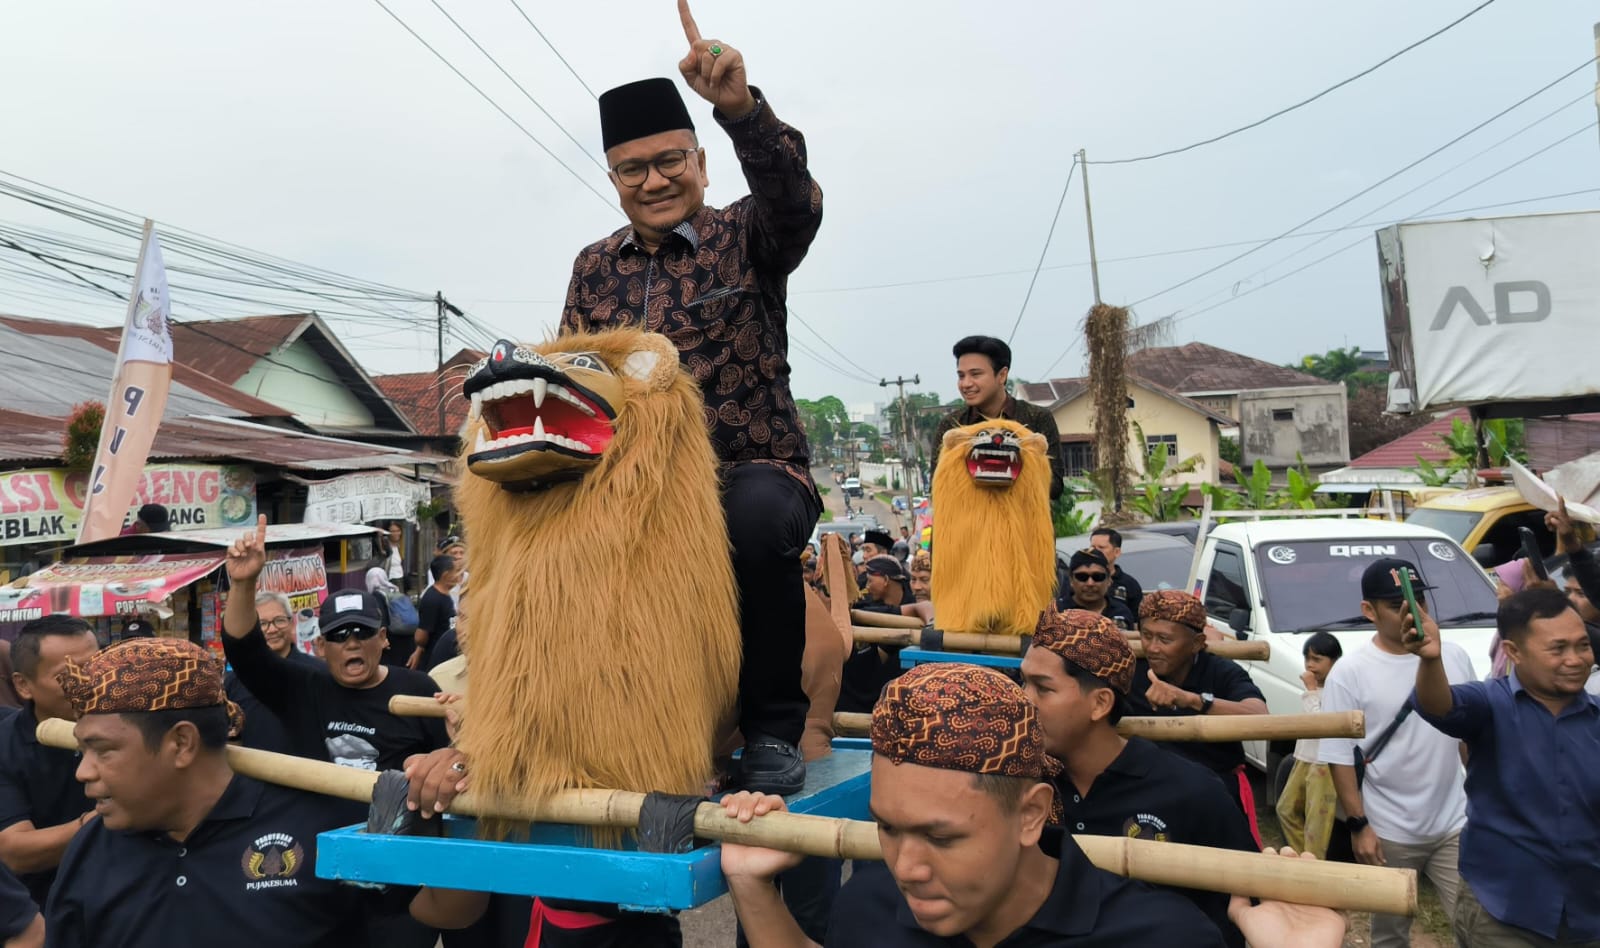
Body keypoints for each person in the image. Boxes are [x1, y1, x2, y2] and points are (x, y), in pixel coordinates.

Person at [558, 0, 822, 796]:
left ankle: (773, 727)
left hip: (754, 468)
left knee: (747, 518)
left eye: (671, 160)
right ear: (613, 180)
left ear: (702, 163)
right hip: (632, 481)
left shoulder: (749, 233)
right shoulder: (593, 266)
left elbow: (796, 202)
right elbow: (574, 377)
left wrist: (741, 107)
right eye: (633, 169)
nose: (654, 180)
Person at [718, 663, 1348, 948]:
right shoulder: (872, 905)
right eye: (887, 828)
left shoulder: (1159, 936)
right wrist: (752, 888)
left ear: (1030, 813)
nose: (906, 865)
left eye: (941, 837)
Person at [45, 637, 374, 947]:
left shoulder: (324, 833)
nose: (83, 772)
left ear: (181, 743)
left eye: (102, 750)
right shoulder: (90, 851)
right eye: (82, 751)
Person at [222, 517, 446, 947]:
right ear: (320, 646)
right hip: (319, 869)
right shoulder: (301, 687)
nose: (352, 643)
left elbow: (445, 767)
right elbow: (244, 650)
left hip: (398, 876)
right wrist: (245, 584)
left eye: (362, 632)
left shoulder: (417, 690)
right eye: (338, 636)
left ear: (383, 639)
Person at [1022, 608, 1259, 946]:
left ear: (1100, 703)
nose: (1023, 700)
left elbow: (1239, 908)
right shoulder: (1022, 785)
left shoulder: (1191, 792)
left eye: (1042, 688)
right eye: (1023, 682)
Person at [1408, 587, 1599, 946]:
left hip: (1588, 916)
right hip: (1503, 914)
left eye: (1583, 645)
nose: (1575, 659)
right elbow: (1437, 705)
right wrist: (1431, 660)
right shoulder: (1490, 703)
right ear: (1514, 652)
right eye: (1558, 649)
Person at [1316, 557, 1470, 948]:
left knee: (1477, 926)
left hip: (1456, 822)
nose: (1412, 613)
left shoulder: (1454, 656)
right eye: (1396, 604)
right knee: (1390, 935)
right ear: (1368, 611)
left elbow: (1468, 736)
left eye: (1419, 600)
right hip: (1389, 831)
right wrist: (1359, 825)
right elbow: (1338, 756)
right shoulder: (1349, 672)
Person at [1125, 590, 1267, 838]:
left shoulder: (1221, 672)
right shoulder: (1131, 672)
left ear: (1197, 644)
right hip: (1147, 797)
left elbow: (1259, 716)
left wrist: (1192, 700)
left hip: (1218, 795)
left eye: (1165, 640)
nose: (1153, 648)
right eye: (1147, 636)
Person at [0, 616, 99, 906]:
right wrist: (101, 819)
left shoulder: (133, 726)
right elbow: (14, 850)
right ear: (23, 685)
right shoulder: (6, 747)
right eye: (66, 675)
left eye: (95, 667)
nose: (87, 682)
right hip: (45, 915)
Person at [932, 336, 1064, 502]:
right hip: (970, 526)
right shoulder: (952, 426)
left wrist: (1012, 464)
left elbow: (1056, 486)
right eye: (961, 376)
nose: (966, 384)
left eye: (975, 374)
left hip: (1024, 525)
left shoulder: (1037, 418)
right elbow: (936, 485)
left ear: (1002, 375)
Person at [226, 591, 321, 755]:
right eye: (262, 624)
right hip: (251, 776)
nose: (272, 629)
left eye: (279, 620)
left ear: (292, 623)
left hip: (307, 776)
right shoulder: (236, 680)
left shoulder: (316, 673)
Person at [1275, 632, 1344, 860]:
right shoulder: (1314, 688)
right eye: (1307, 659)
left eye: (1317, 659)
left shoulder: (1338, 689)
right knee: (1285, 809)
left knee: (1317, 824)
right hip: (1304, 758)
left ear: (1334, 662)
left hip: (1324, 764)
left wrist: (1311, 691)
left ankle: (1312, 866)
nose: (1310, 665)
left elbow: (1321, 725)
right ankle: (1303, 860)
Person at [838, 557, 908, 714]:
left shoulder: (909, 606)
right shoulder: (866, 609)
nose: (867, 587)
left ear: (886, 580)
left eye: (870, 581)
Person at [1056, 548, 1135, 628]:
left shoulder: (1121, 612)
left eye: (1098, 577)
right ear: (1071, 581)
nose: (1090, 583)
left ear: (1109, 580)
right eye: (1082, 577)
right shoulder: (1057, 611)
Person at [415, 554, 460, 671]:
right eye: (456, 571)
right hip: (436, 659)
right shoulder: (432, 599)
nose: (460, 575)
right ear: (446, 575)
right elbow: (420, 637)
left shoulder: (446, 595)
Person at [1090, 527, 1144, 616]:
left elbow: (1136, 620)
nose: (1095, 551)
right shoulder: (1080, 579)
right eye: (1092, 547)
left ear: (1117, 552)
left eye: (1101, 548)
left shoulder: (1129, 584)